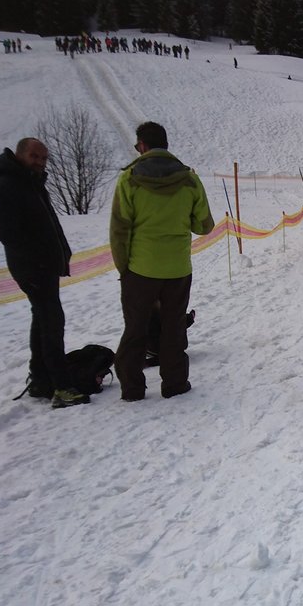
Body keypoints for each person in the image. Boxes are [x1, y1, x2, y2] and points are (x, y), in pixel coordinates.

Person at [110, 122, 214, 400]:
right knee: (173, 327)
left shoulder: (129, 179)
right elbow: (204, 226)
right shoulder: (190, 179)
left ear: (142, 145)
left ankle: (132, 388)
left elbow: (119, 230)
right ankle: (175, 383)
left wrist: (124, 268)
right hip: (178, 269)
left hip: (140, 269)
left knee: (135, 329)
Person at [0, 138, 87, 408]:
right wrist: (40, 255)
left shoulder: (32, 183)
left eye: (44, 158)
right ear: (19, 155)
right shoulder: (4, 186)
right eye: (34, 156)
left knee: (43, 320)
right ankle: (61, 387)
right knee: (51, 322)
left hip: (44, 265)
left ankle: (42, 379)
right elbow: (7, 233)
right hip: (32, 267)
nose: (40, 162)